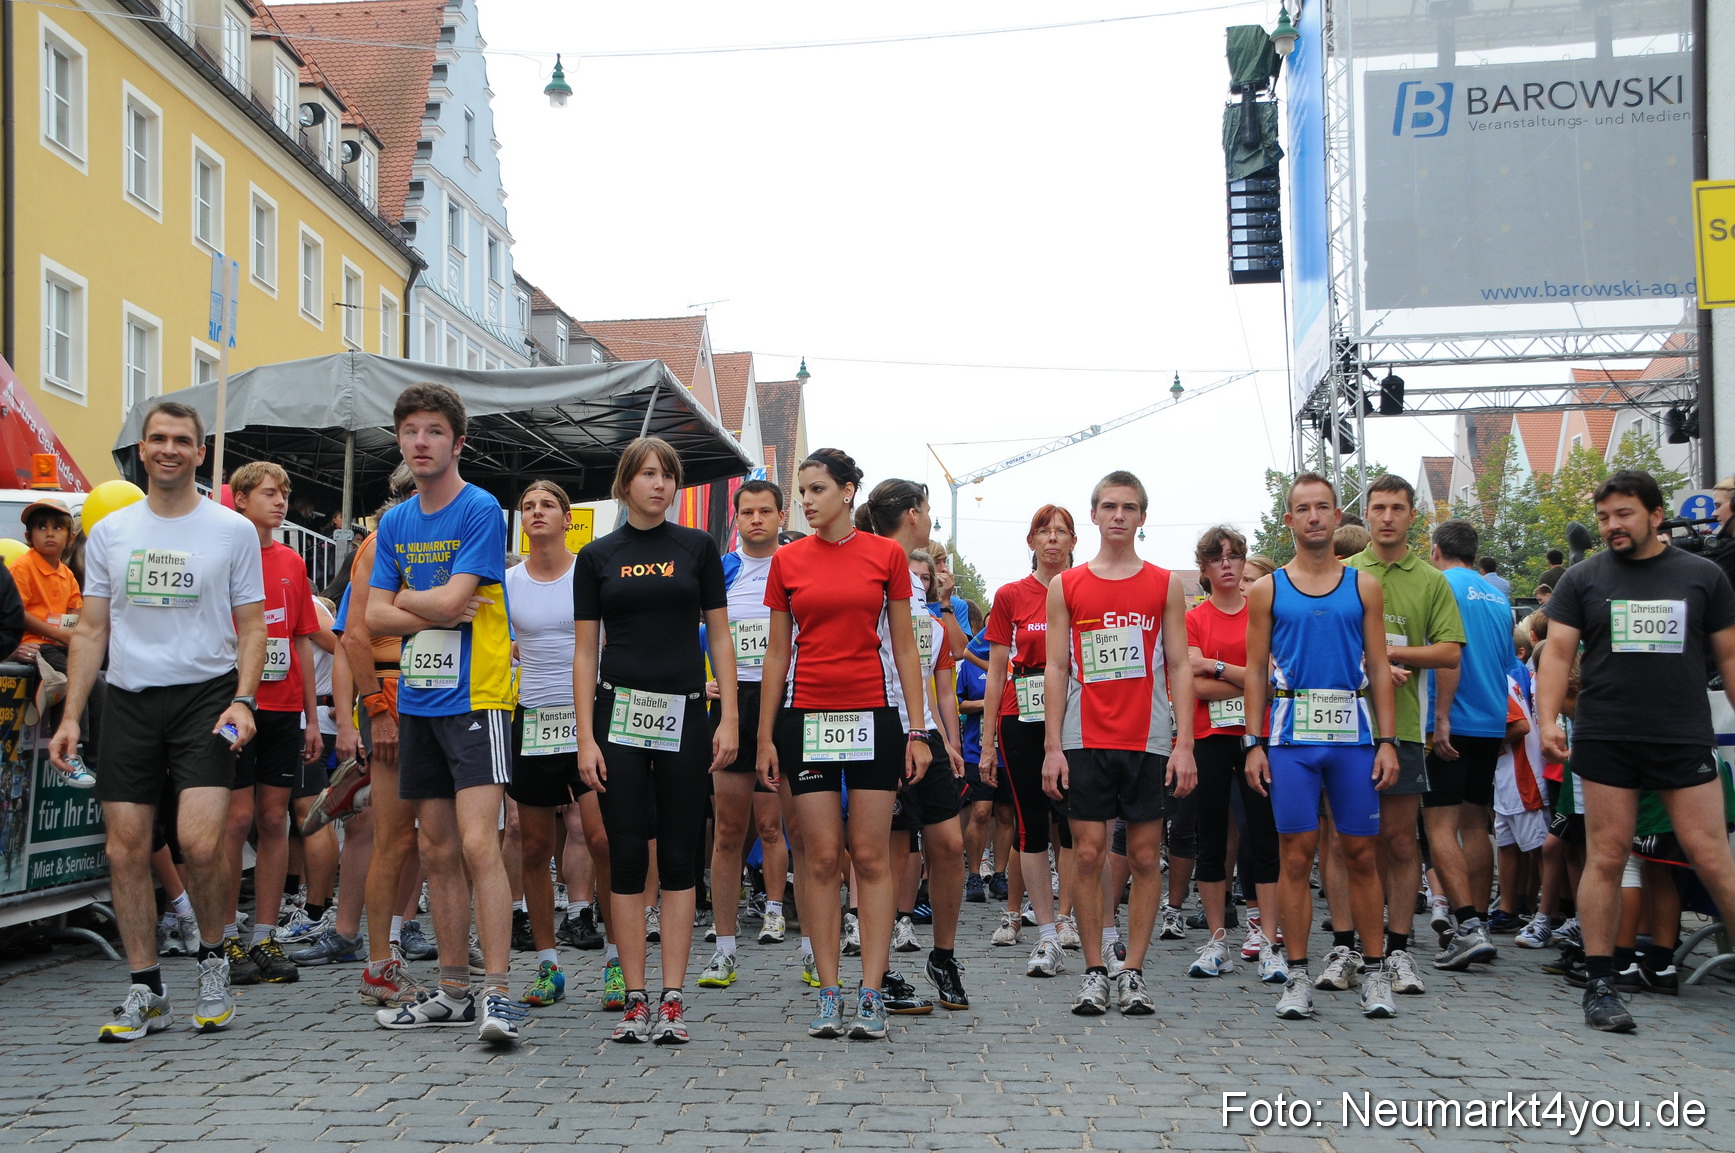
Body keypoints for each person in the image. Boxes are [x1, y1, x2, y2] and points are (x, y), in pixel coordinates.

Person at [52, 399, 266, 1041]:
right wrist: (70, 717)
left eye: (182, 440)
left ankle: (212, 962)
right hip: (128, 700)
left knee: (201, 843)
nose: (169, 449)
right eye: (157, 440)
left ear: (200, 454)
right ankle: (145, 988)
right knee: (126, 849)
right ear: (140, 452)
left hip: (206, 698)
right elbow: (92, 630)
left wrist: (244, 699)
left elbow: (253, 627)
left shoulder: (232, 530)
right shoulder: (113, 533)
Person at [1538, 469, 1735, 1032]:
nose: (1611, 527)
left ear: (1654, 515)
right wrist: (1549, 718)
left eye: (1623, 514)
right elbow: (1556, 655)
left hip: (1682, 736)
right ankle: (1601, 985)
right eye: (1603, 518)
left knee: (1713, 858)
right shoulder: (1583, 579)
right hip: (1606, 735)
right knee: (1606, 856)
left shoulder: (1703, 576)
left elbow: (1729, 656)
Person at [367, 383, 527, 1045]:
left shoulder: (480, 507)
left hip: (476, 696)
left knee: (475, 841)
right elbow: (373, 614)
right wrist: (419, 600)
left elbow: (461, 596)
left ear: (457, 442)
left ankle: (499, 993)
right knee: (433, 847)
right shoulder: (397, 521)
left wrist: (405, 596)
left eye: (434, 431)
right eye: (410, 432)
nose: (421, 442)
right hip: (418, 698)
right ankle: (454, 990)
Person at [756, 448, 933, 1041]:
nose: (805, 500)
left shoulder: (886, 555)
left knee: (872, 855)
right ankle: (829, 990)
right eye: (801, 490)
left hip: (874, 719)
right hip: (805, 719)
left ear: (849, 492)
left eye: (817, 489)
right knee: (822, 856)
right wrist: (764, 735)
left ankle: (872, 991)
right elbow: (776, 653)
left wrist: (917, 728)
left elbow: (905, 648)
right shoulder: (787, 561)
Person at [574, 437, 737, 1045]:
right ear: (625, 483)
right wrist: (585, 736)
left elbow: (719, 638)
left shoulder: (697, 548)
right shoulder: (596, 556)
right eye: (648, 474)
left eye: (668, 475)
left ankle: (672, 998)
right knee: (623, 856)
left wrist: (731, 717)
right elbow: (586, 650)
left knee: (676, 858)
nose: (661, 484)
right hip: (617, 718)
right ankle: (633, 998)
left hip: (687, 715)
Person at [1242, 472, 1401, 1021]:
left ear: (1338, 517)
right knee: (1295, 855)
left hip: (1354, 738)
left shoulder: (1364, 587)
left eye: (1323, 507)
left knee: (1360, 853)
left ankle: (1375, 971)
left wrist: (1387, 740)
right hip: (1290, 740)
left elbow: (1379, 667)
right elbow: (1256, 674)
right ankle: (1297, 973)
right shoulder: (1266, 589)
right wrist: (1254, 743)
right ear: (1289, 520)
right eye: (1302, 508)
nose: (1313, 516)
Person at [1042, 471, 1195, 1018]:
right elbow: (1056, 666)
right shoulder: (1069, 586)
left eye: (1129, 507)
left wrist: (1185, 744)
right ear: (1095, 514)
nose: (1118, 516)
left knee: (1146, 855)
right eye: (1109, 506)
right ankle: (1093, 970)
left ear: (1142, 517)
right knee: (1087, 853)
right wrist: (1052, 746)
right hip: (1085, 738)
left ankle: (1132, 970)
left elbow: (1179, 663)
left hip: (1149, 738)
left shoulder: (1163, 584)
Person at [1345, 474, 1464, 996]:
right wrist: (1366, 666)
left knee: (1398, 839)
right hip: (1345, 726)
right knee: (1348, 842)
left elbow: (1449, 652)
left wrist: (1389, 656)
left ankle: (1397, 948)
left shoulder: (1432, 580)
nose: (1387, 516)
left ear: (1412, 515)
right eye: (1378, 508)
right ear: (1366, 516)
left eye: (1397, 507)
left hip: (1406, 728)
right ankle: (1347, 945)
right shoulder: (1344, 572)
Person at [218, 462, 327, 987]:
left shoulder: (291, 560)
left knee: (273, 817)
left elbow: (303, 639)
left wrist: (311, 716)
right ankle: (223, 935)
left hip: (285, 709)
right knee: (234, 820)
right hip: (237, 706)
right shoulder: (225, 553)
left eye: (285, 493)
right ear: (239, 499)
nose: (281, 502)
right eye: (268, 493)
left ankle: (263, 934)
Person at [505, 480, 614, 1010]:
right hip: (533, 719)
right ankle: (548, 965)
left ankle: (619, 961)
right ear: (521, 521)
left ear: (568, 518)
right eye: (528, 506)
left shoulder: (587, 573)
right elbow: (498, 645)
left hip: (587, 717)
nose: (537, 512)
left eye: (548, 504)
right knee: (530, 839)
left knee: (600, 838)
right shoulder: (507, 582)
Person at [862, 489, 969, 1013]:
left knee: (949, 845)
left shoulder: (923, 604)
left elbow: (940, 675)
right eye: (927, 511)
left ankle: (943, 956)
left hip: (922, 734)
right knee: (887, 855)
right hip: (880, 734)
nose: (930, 519)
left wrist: (943, 736)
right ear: (911, 515)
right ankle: (877, 973)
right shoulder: (868, 574)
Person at [338, 468, 428, 1009]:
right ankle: (378, 961)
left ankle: (401, 945)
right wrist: (375, 711)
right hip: (395, 690)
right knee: (392, 834)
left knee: (437, 839)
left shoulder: (455, 534)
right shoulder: (384, 538)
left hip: (443, 690)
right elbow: (352, 636)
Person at [698, 479, 793, 991]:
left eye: (765, 512)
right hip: (732, 705)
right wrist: (703, 678)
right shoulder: (722, 570)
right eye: (748, 512)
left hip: (787, 705)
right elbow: (698, 633)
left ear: (782, 516)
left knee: (787, 827)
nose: (756, 520)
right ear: (736, 519)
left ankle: (794, 930)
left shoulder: (797, 567)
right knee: (730, 830)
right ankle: (725, 945)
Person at [1184, 525, 1284, 981]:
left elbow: (1273, 680)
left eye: (1234, 556)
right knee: (1211, 837)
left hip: (1257, 737)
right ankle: (1218, 939)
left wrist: (1220, 666)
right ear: (1204, 568)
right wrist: (1246, 677)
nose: (1227, 564)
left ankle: (1268, 938)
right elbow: (1192, 681)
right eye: (1217, 557)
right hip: (1208, 737)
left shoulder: (1262, 614)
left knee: (1261, 834)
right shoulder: (1193, 618)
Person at [1425, 519, 1514, 972]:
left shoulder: (1439, 586)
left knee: (1439, 825)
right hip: (1489, 719)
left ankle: (1466, 929)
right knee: (1476, 824)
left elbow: (1447, 654)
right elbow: (1507, 662)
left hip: (1450, 719)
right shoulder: (1498, 596)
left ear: (1437, 550)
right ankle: (1477, 918)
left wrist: (1439, 716)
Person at [11, 497, 92, 786]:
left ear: (70, 537)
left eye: (57, 527)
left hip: (58, 646)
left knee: (99, 682)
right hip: (34, 645)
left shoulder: (67, 574)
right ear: (28, 536)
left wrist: (80, 629)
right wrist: (61, 634)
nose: (49, 533)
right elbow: (17, 612)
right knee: (69, 675)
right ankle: (67, 753)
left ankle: (93, 756)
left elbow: (77, 612)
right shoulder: (22, 567)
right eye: (41, 527)